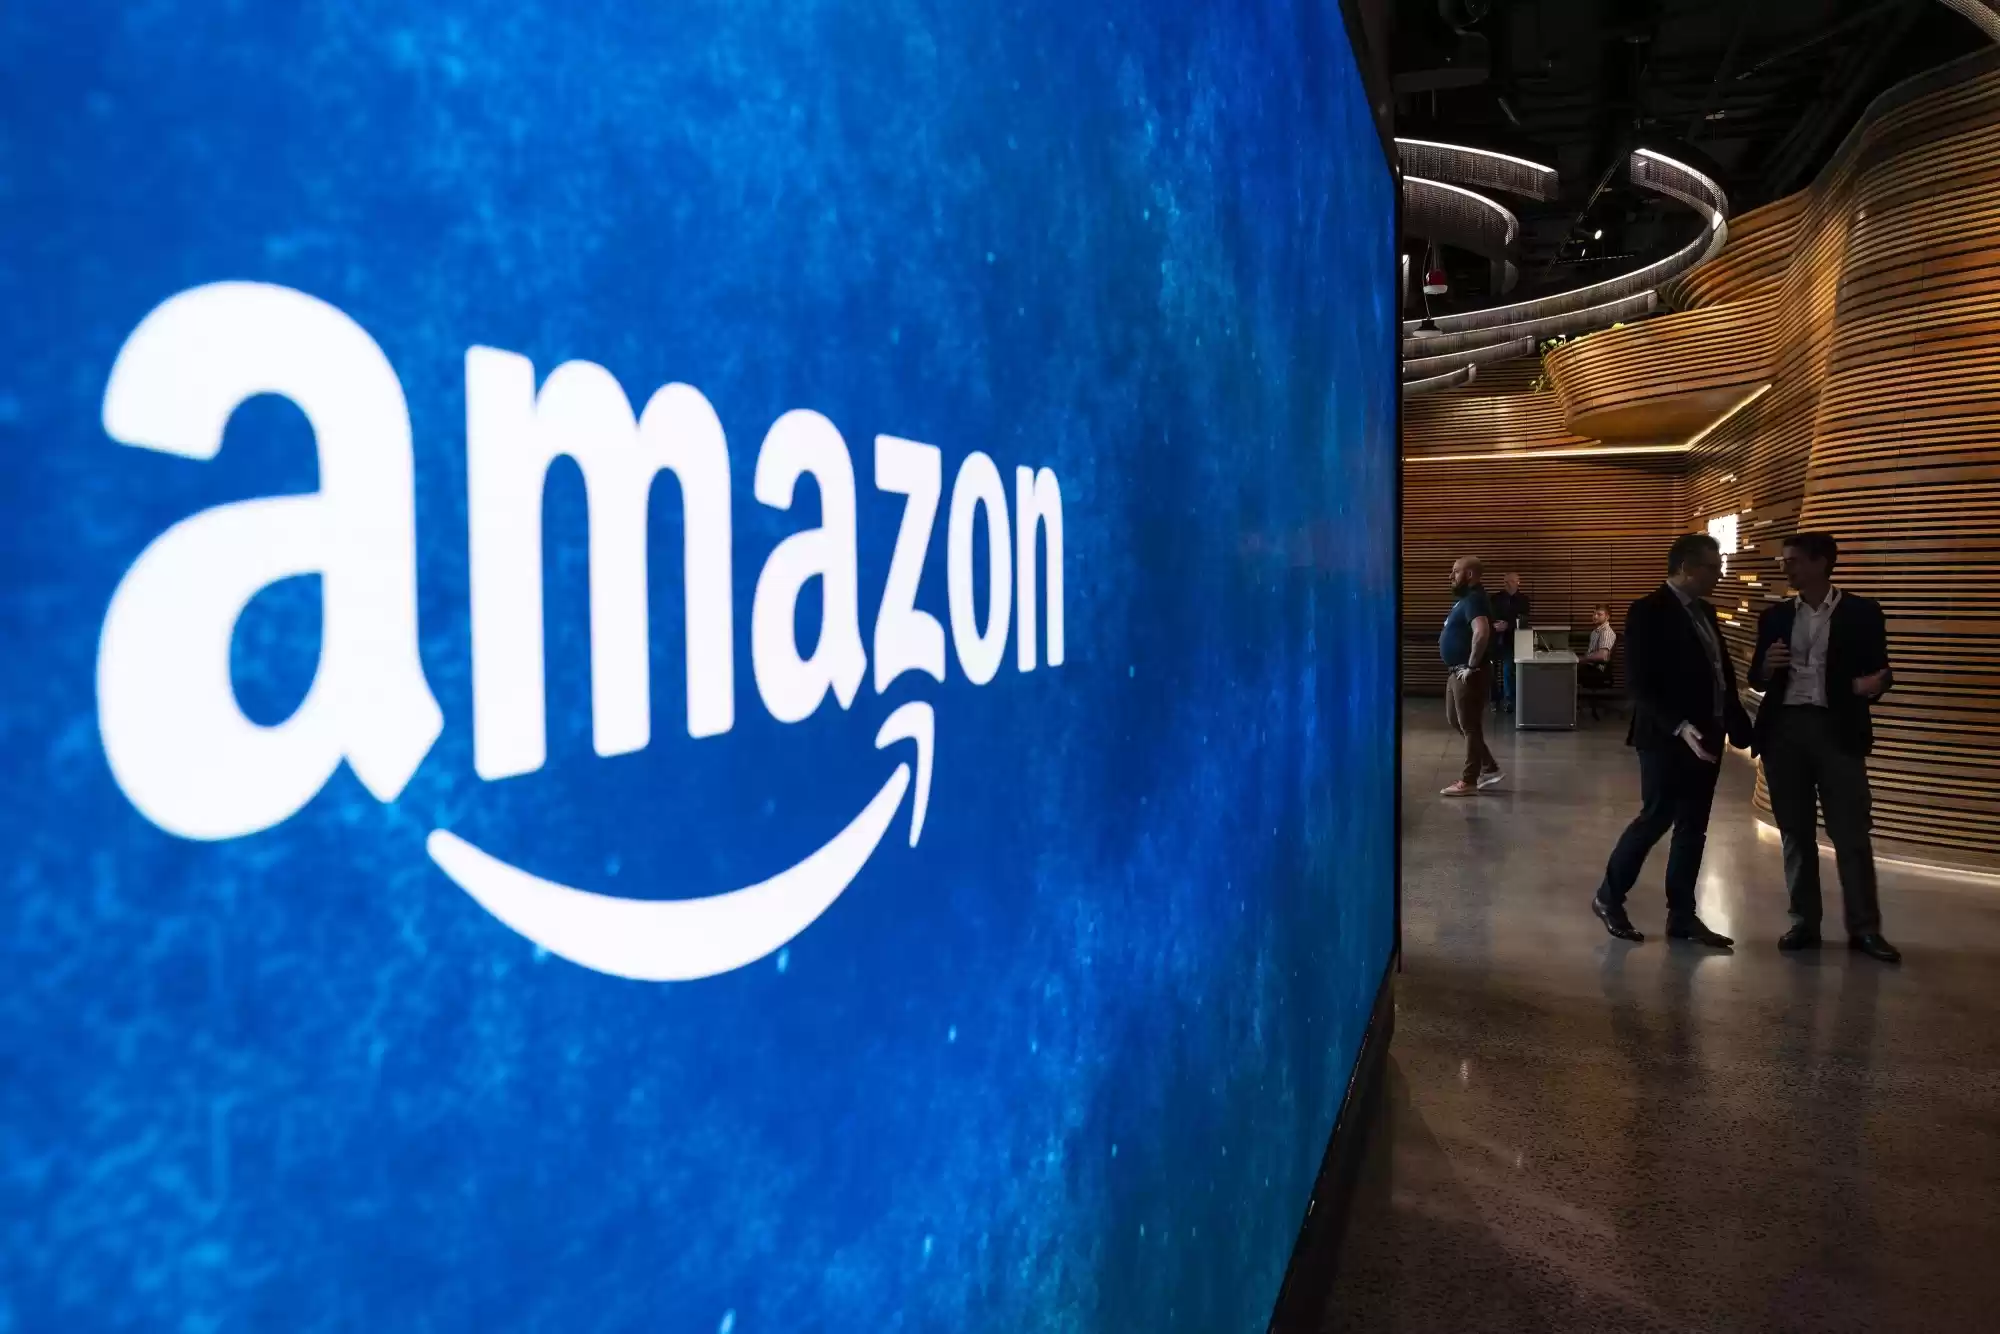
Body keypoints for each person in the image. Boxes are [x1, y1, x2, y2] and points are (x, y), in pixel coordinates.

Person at [1590, 533, 1750, 946]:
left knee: (1693, 825)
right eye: (1713, 568)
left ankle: (1682, 915)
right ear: (1686, 568)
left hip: (1708, 733)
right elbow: (1639, 684)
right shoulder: (1648, 610)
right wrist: (1680, 726)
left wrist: (1737, 722)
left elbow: (1720, 672)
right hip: (1666, 735)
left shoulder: (1706, 611)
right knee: (1656, 817)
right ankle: (1608, 897)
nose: (1719, 575)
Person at [1748, 533, 1901, 963]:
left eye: (1793, 561)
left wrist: (1874, 685)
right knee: (1794, 832)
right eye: (1784, 560)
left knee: (1851, 833)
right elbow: (1757, 678)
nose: (1786, 568)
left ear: (1821, 563)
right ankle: (1804, 923)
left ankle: (1865, 930)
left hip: (1838, 729)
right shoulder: (1775, 616)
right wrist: (1766, 667)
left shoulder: (1862, 612)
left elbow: (1882, 671)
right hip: (1784, 731)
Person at [1439, 556, 1503, 796]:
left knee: (1470, 726)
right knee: (1456, 721)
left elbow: (1482, 632)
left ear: (1469, 575)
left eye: (1455, 571)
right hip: (1456, 671)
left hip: (1467, 673)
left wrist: (1471, 665)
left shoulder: (1475, 599)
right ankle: (1489, 766)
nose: (1451, 576)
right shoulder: (1465, 600)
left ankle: (1469, 781)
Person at [1489, 573, 1531, 712]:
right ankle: (1494, 700)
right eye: (1505, 582)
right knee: (1492, 672)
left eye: (1511, 581)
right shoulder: (1495, 598)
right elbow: (1488, 615)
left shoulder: (1523, 600)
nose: (1507, 584)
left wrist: (1508, 625)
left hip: (1511, 639)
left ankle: (1508, 700)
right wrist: (1494, 625)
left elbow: (1524, 620)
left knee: (1508, 670)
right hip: (1494, 638)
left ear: (1518, 582)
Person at [1580, 604, 1616, 690]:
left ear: (1607, 617)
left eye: (1599, 614)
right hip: (1591, 666)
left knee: (1568, 672)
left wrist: (1582, 659)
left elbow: (1602, 655)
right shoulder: (1594, 632)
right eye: (1594, 614)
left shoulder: (1606, 632)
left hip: (1600, 669)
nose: (1595, 616)